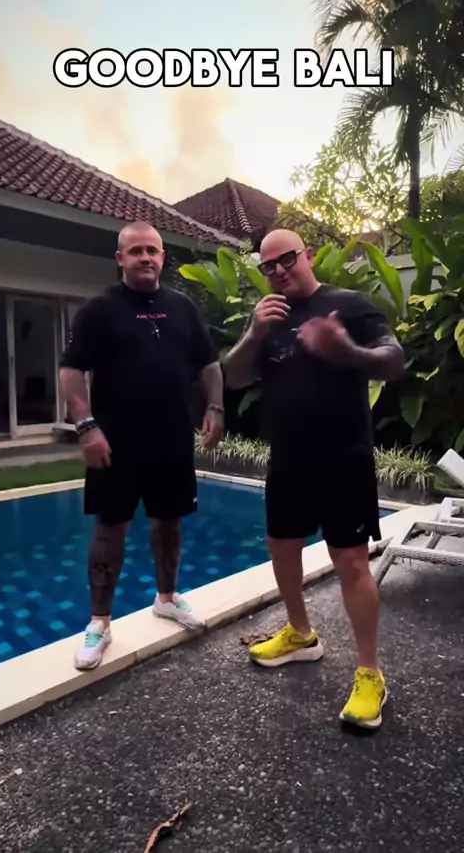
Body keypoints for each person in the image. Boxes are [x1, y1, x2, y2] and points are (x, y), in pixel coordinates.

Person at [223, 229, 405, 729]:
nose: (279, 270)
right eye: (268, 266)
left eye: (286, 259)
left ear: (306, 255)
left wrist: (345, 350)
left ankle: (370, 674)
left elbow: (394, 361)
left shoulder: (350, 305)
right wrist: (254, 333)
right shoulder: (268, 317)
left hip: (343, 457)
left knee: (351, 563)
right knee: (282, 547)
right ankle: (302, 635)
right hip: (289, 458)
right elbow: (234, 376)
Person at [59, 221, 224, 670]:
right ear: (120, 258)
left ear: (162, 257)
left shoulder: (182, 308)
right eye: (136, 251)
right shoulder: (99, 310)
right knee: (110, 529)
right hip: (115, 443)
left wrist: (215, 407)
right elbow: (71, 371)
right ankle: (99, 623)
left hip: (172, 439)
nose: (146, 257)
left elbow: (209, 364)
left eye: (153, 250)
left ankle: (166, 599)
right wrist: (86, 427)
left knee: (169, 522)